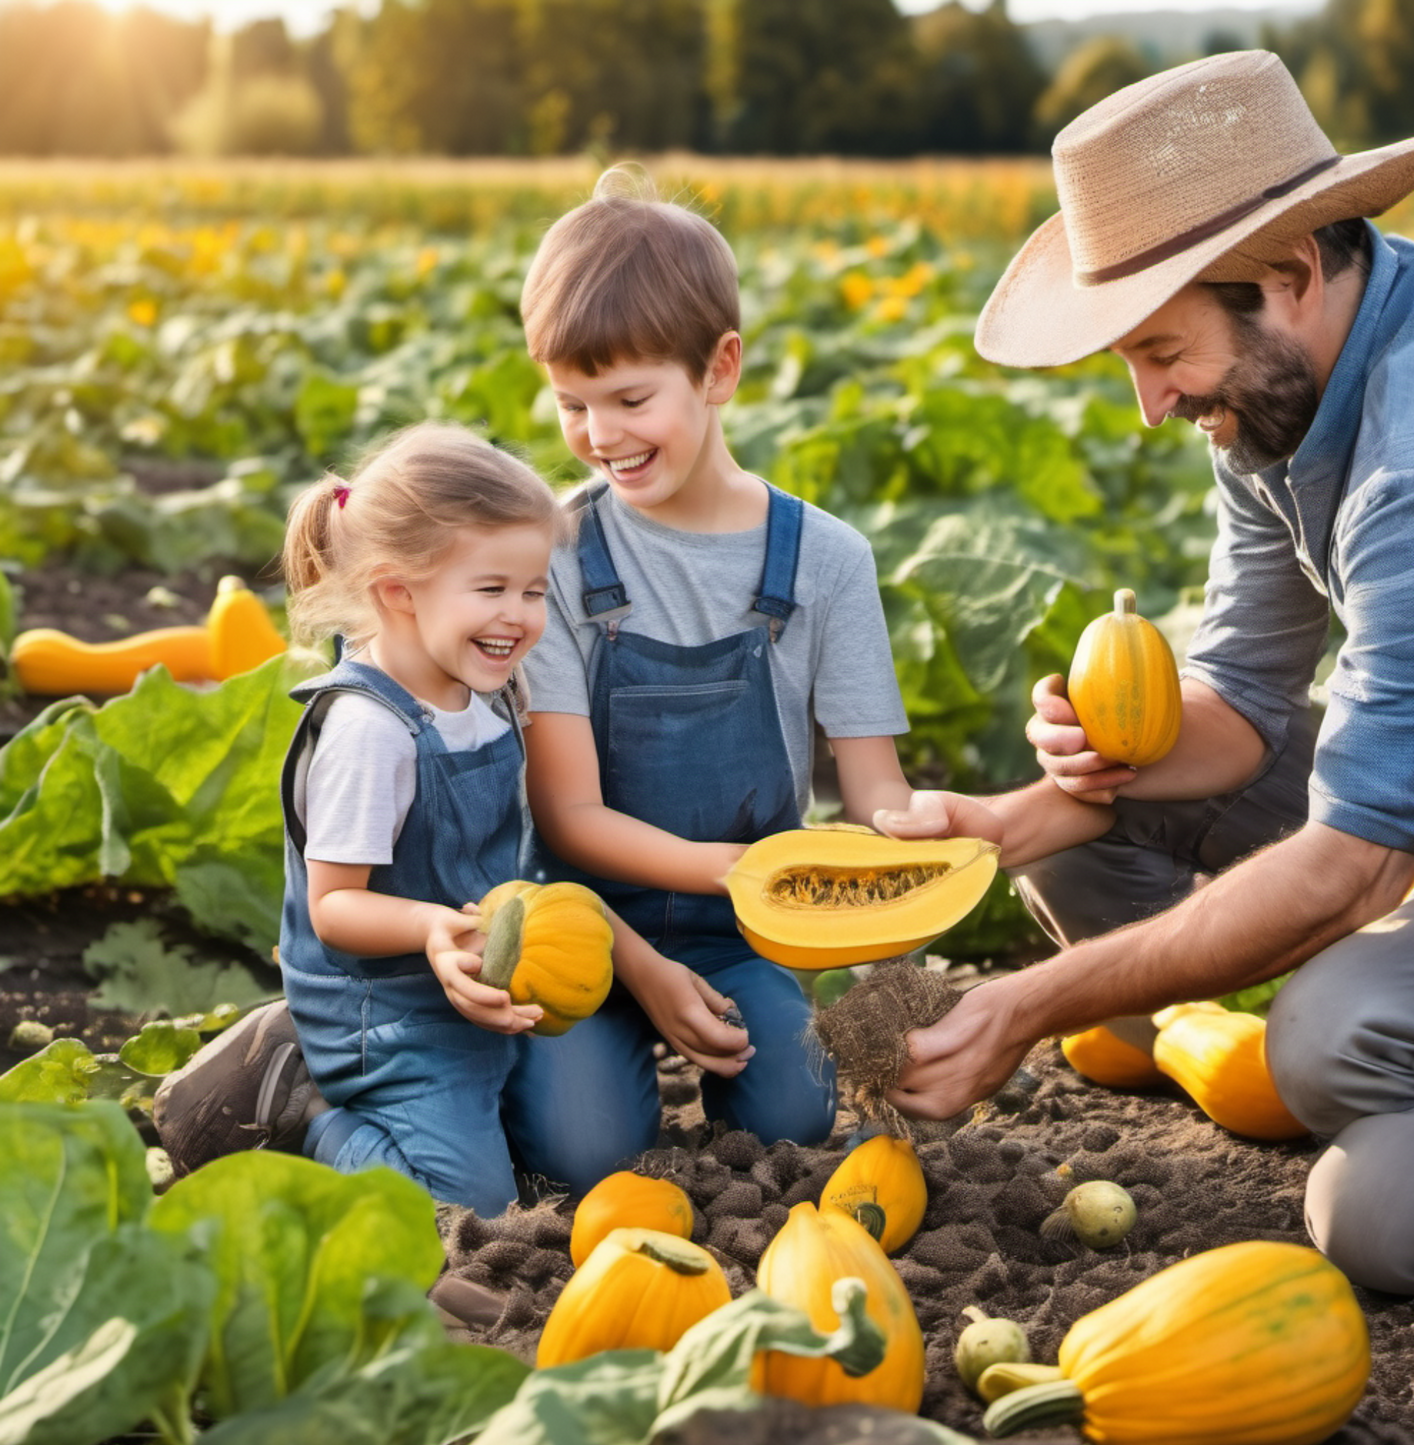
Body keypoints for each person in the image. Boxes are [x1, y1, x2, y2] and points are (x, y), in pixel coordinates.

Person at [874, 50, 1414, 1296]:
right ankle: (1279, 1031)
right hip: (1410, 806)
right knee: (1085, 823)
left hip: (1383, 845)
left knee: (1357, 1141)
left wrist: (1027, 1001)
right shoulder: (1274, 390)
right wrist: (1009, 818)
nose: (1146, 403)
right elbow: (1238, 696)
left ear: (1288, 271)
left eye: (1157, 348)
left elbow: (1352, 867)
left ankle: (1363, 1040)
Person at [501, 167, 1043, 1195]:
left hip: (755, 928)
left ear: (718, 368)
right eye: (571, 403)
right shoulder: (557, 556)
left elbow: (872, 789)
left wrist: (911, 835)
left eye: (628, 398)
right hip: (587, 922)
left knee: (792, 1117)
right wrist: (737, 875)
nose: (600, 434)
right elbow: (566, 817)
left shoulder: (825, 559)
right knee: (582, 1150)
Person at [154, 421, 686, 1220]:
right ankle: (305, 1108)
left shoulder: (490, 686)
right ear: (397, 590)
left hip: (486, 974)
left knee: (595, 1157)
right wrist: (436, 930)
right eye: (491, 589)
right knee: (461, 1208)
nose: (520, 616)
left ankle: (472, 1117)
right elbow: (336, 908)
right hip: (389, 1012)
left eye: (534, 590)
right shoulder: (371, 731)